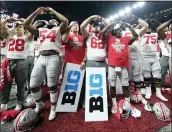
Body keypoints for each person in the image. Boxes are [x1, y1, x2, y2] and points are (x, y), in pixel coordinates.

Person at [24, 7, 68, 120]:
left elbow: (65, 21)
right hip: (41, 57)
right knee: (33, 85)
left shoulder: (58, 29)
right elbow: (26, 24)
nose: (51, 21)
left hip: (53, 56)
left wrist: (53, 10)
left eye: (54, 21)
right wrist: (36, 12)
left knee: (52, 85)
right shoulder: (40, 30)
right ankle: (39, 104)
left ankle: (53, 108)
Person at [0, 18, 34, 112]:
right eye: (17, 27)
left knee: (21, 84)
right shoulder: (8, 36)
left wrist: (26, 22)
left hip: (21, 62)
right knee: (5, 84)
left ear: (24, 29)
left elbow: (33, 30)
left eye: (21, 27)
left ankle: (19, 101)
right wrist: (7, 21)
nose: (19, 28)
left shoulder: (27, 37)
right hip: (8, 61)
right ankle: (4, 103)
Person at [141, 19, 168, 101]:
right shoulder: (141, 33)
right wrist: (145, 22)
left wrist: (157, 22)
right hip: (145, 57)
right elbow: (136, 28)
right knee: (147, 76)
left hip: (155, 56)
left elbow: (165, 29)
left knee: (158, 76)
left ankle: (158, 92)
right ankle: (148, 91)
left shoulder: (156, 33)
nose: (149, 28)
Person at [157, 19, 172, 94]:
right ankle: (160, 86)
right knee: (162, 73)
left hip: (168, 55)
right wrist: (169, 22)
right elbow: (159, 29)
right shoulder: (165, 34)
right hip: (165, 55)